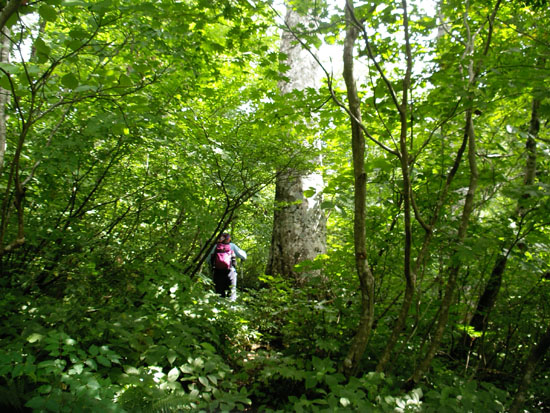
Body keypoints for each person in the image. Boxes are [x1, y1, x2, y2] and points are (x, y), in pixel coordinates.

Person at [207, 233, 247, 301]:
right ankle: (231, 308)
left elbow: (208, 259)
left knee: (219, 293)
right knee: (232, 293)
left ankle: (219, 309)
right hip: (231, 272)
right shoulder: (232, 246)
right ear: (228, 239)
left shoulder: (215, 246)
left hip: (217, 272)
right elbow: (244, 256)